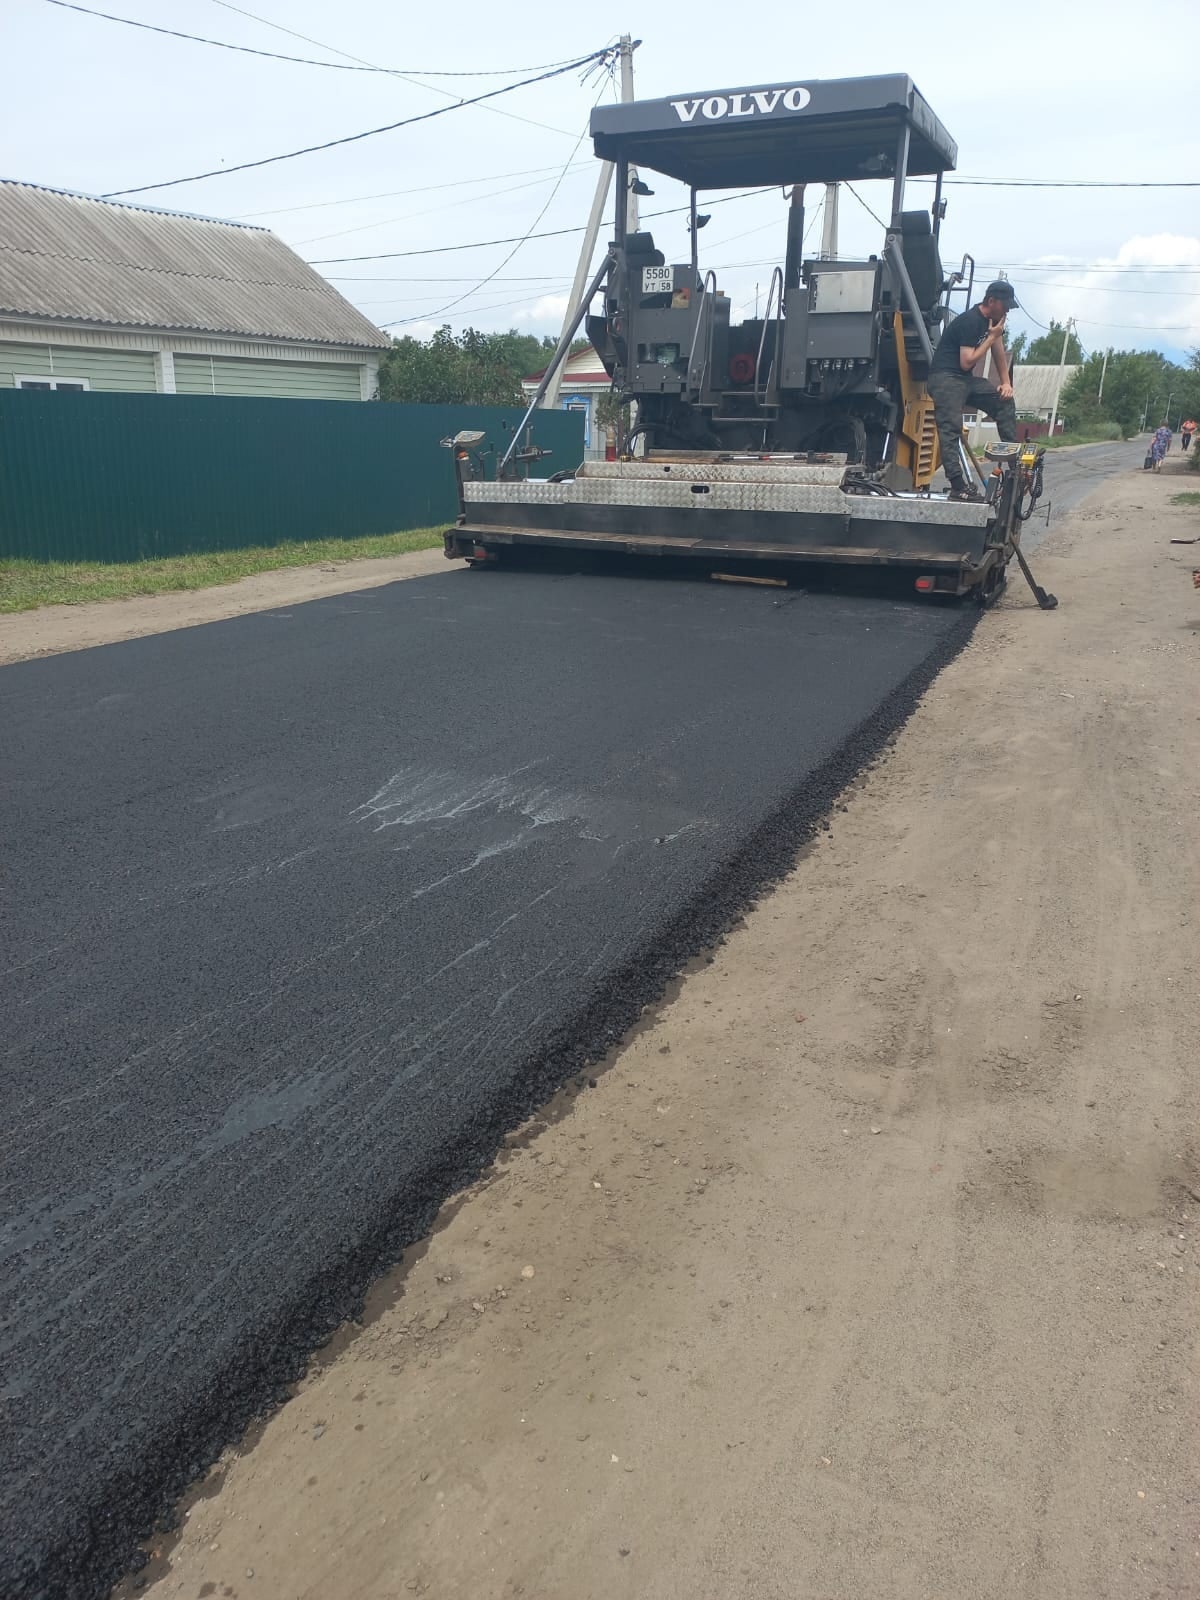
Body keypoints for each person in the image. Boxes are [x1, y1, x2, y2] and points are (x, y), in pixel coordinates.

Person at [928, 280, 1020, 500]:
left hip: (965, 380)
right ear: (991, 301)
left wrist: (1006, 383)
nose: (1007, 309)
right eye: (1005, 305)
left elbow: (998, 351)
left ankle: (1016, 466)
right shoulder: (970, 322)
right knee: (951, 427)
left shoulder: (993, 321)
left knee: (1003, 401)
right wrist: (991, 337)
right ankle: (958, 485)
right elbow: (967, 362)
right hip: (945, 378)